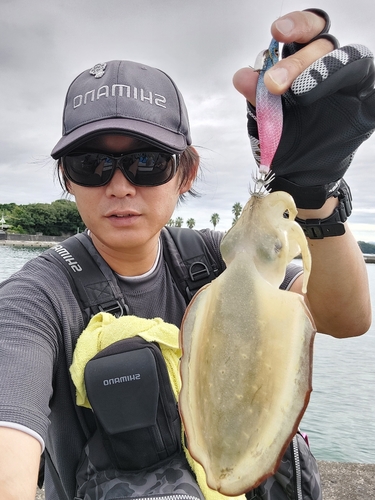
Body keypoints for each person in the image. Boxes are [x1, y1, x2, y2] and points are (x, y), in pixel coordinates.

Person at [0, 8, 373, 500]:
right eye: (90, 164)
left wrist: (315, 196)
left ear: (186, 174)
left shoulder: (221, 258)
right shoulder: (36, 298)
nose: (119, 185)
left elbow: (341, 318)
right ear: (67, 178)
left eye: (147, 162)